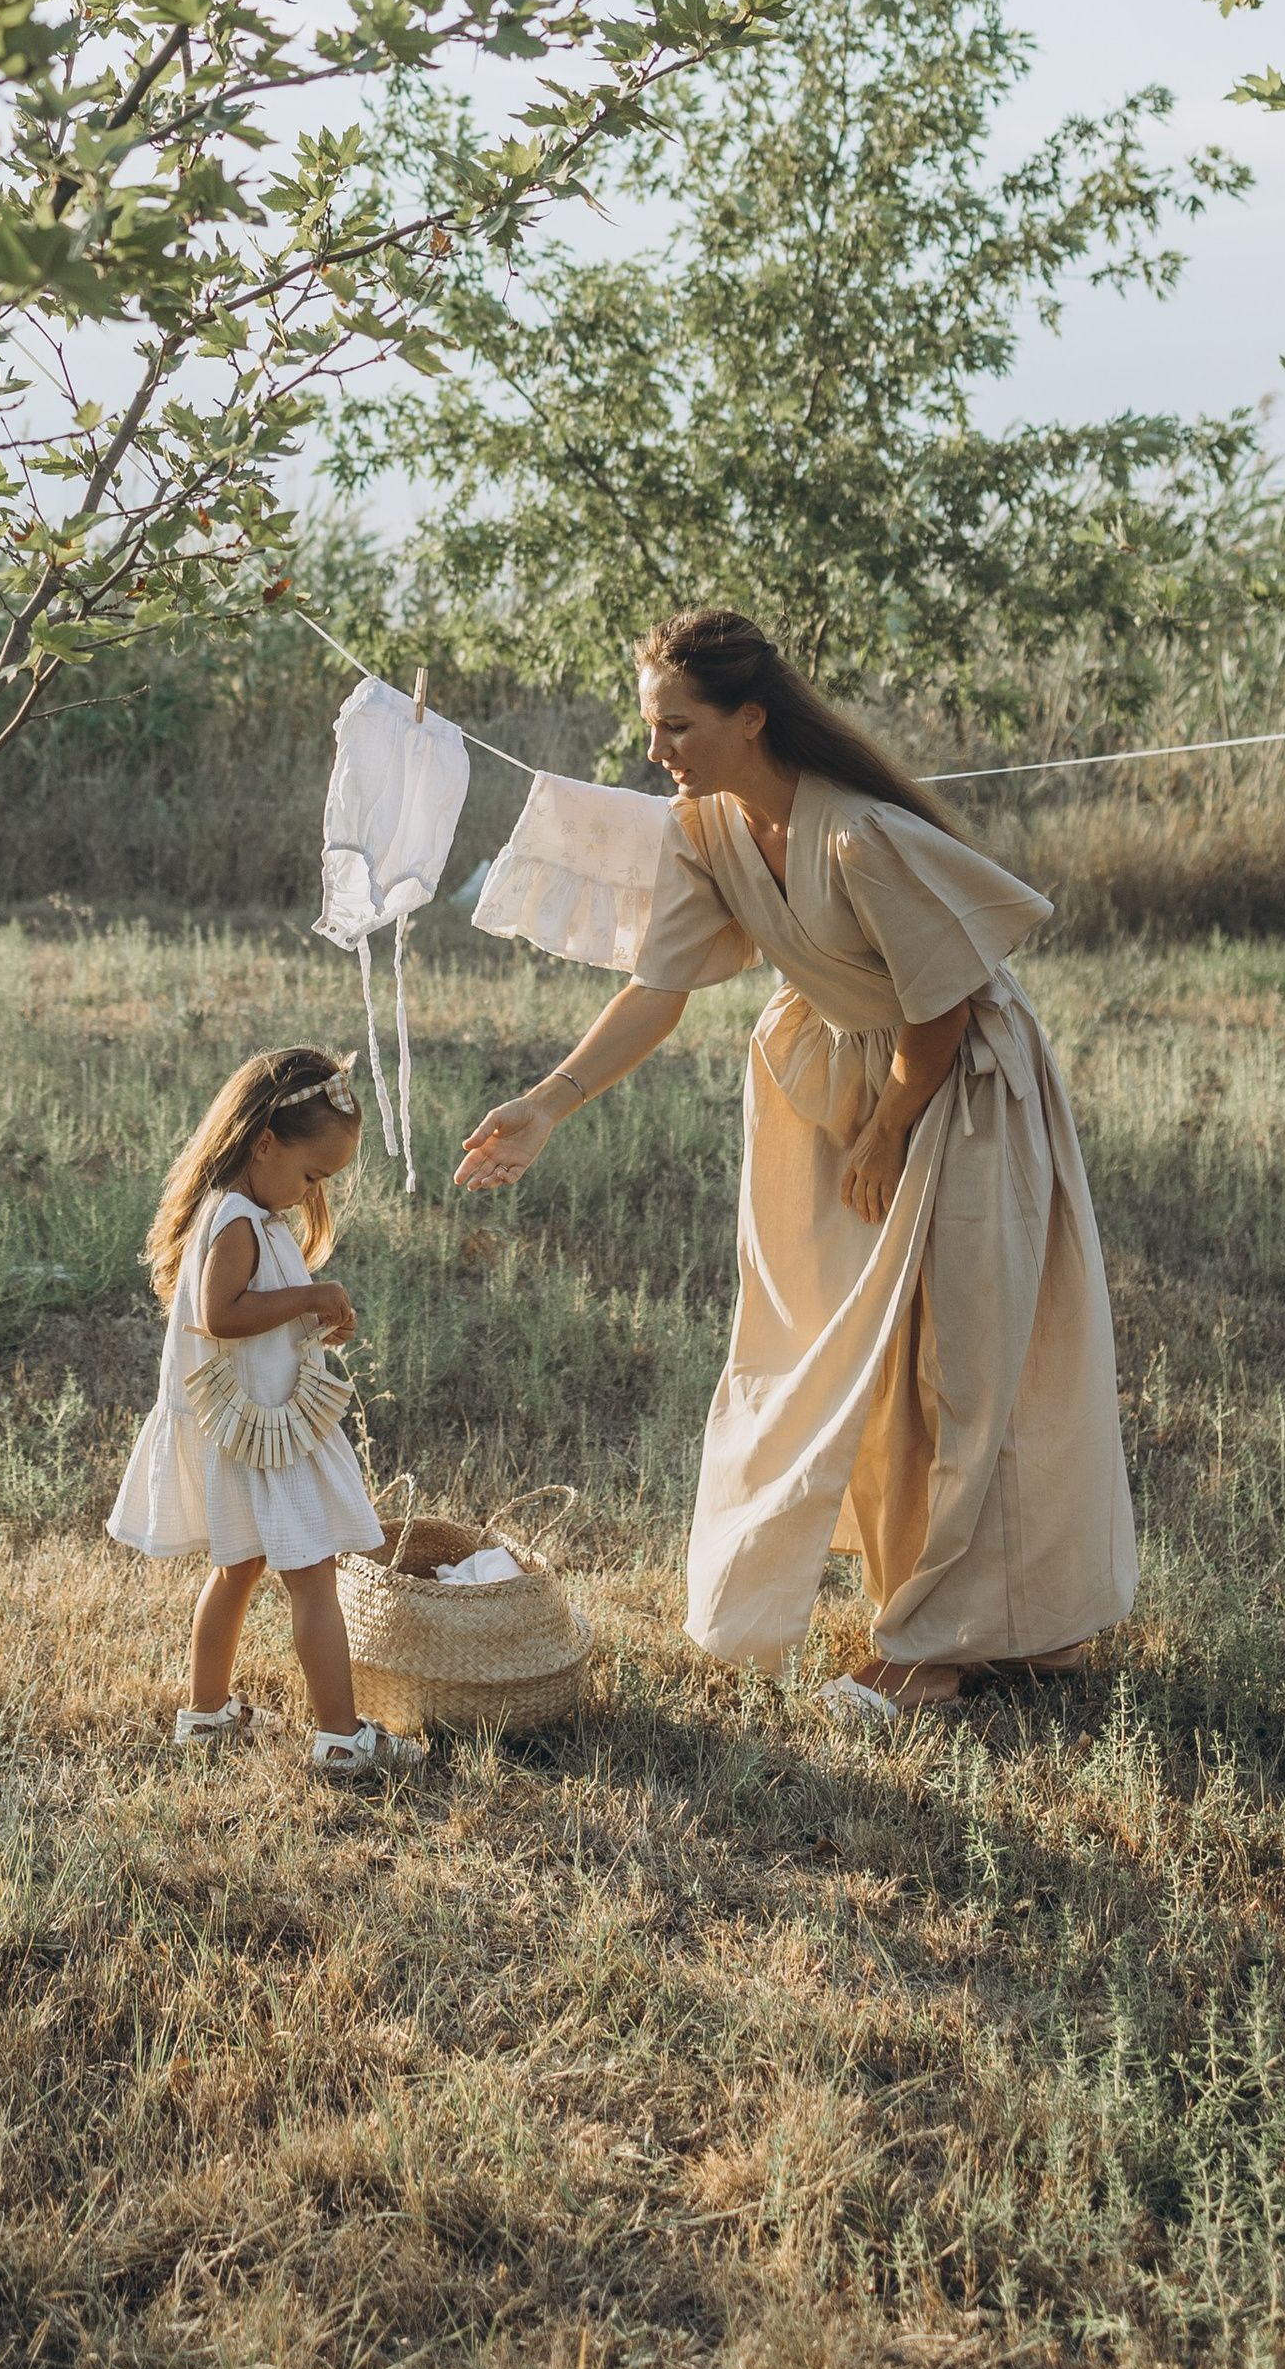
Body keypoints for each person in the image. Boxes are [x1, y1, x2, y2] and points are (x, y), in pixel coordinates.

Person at [458, 608, 1136, 1729]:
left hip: (958, 1086)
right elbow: (655, 992)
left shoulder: (856, 835)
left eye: (676, 726)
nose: (656, 750)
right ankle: (957, 1607)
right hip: (836, 1083)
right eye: (651, 725)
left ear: (749, 718)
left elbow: (947, 1002)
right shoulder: (703, 829)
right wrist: (545, 1103)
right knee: (844, 1346)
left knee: (971, 1354)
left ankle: (948, 1648)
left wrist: (889, 1130)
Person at [109, 1045, 425, 1788]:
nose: (310, 1191)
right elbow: (224, 1315)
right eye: (312, 1174)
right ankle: (342, 1737)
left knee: (238, 1569)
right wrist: (312, 1298)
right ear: (264, 1142)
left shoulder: (246, 1210)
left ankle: (206, 1713)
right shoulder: (239, 1220)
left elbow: (255, 1318)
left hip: (251, 1424)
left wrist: (310, 1322)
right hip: (260, 1436)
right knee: (312, 1578)